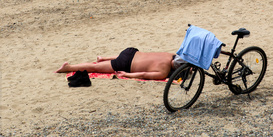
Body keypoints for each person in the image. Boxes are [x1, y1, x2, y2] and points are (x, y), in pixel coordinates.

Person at [55, 47, 185, 80]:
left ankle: (104, 58)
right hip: (125, 64)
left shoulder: (169, 54)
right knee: (94, 68)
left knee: (120, 59)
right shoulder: (163, 71)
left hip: (131, 52)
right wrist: (126, 75)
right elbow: (144, 74)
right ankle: (68, 67)